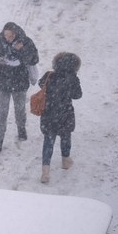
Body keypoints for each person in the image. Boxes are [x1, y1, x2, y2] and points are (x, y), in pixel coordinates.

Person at [0, 22, 39, 152]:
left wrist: (21, 50)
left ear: (16, 34)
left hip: (20, 82)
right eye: (6, 36)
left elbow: (34, 59)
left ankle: (21, 129)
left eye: (10, 36)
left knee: (20, 109)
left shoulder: (26, 42)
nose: (8, 39)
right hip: (3, 82)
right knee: (2, 113)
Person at [38, 52, 83, 183]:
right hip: (65, 113)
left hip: (49, 113)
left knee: (48, 141)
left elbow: (41, 85)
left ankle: (45, 171)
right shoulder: (72, 78)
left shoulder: (49, 75)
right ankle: (65, 160)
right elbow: (77, 95)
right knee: (66, 136)